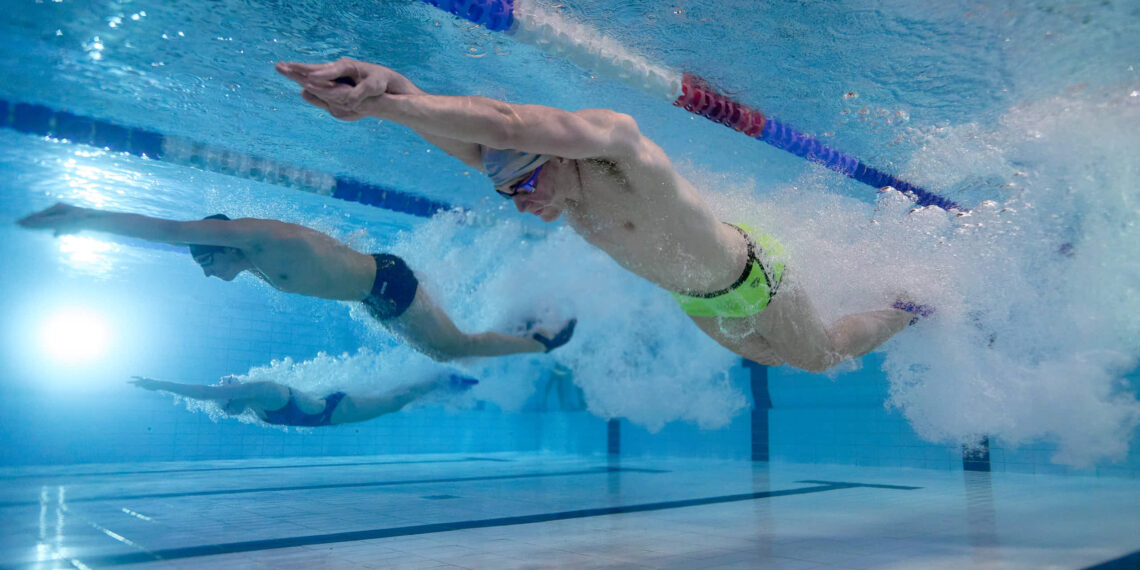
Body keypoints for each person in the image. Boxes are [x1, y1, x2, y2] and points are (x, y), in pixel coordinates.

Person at [276, 58, 931, 373]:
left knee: (819, 357)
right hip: (698, 299)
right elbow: (467, 132)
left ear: (556, 155)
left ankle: (908, 307)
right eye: (511, 194)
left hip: (751, 276)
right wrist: (388, 89)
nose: (524, 202)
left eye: (528, 183)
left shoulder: (619, 152)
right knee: (767, 357)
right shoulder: (551, 184)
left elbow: (505, 120)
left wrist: (385, 107)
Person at [17, 203, 576, 361]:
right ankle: (526, 328)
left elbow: (165, 228)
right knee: (447, 351)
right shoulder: (253, 258)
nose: (209, 276)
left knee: (453, 350)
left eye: (205, 263)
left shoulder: (252, 240)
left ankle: (540, 337)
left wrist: (84, 218)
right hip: (376, 293)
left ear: (221, 248)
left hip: (387, 285)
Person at [128, 373, 474, 427]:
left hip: (337, 410)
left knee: (397, 401)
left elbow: (205, 393)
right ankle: (441, 383)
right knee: (395, 399)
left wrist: (158, 384)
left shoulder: (258, 390)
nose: (224, 408)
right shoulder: (252, 406)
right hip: (329, 412)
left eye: (226, 401)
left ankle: (443, 380)